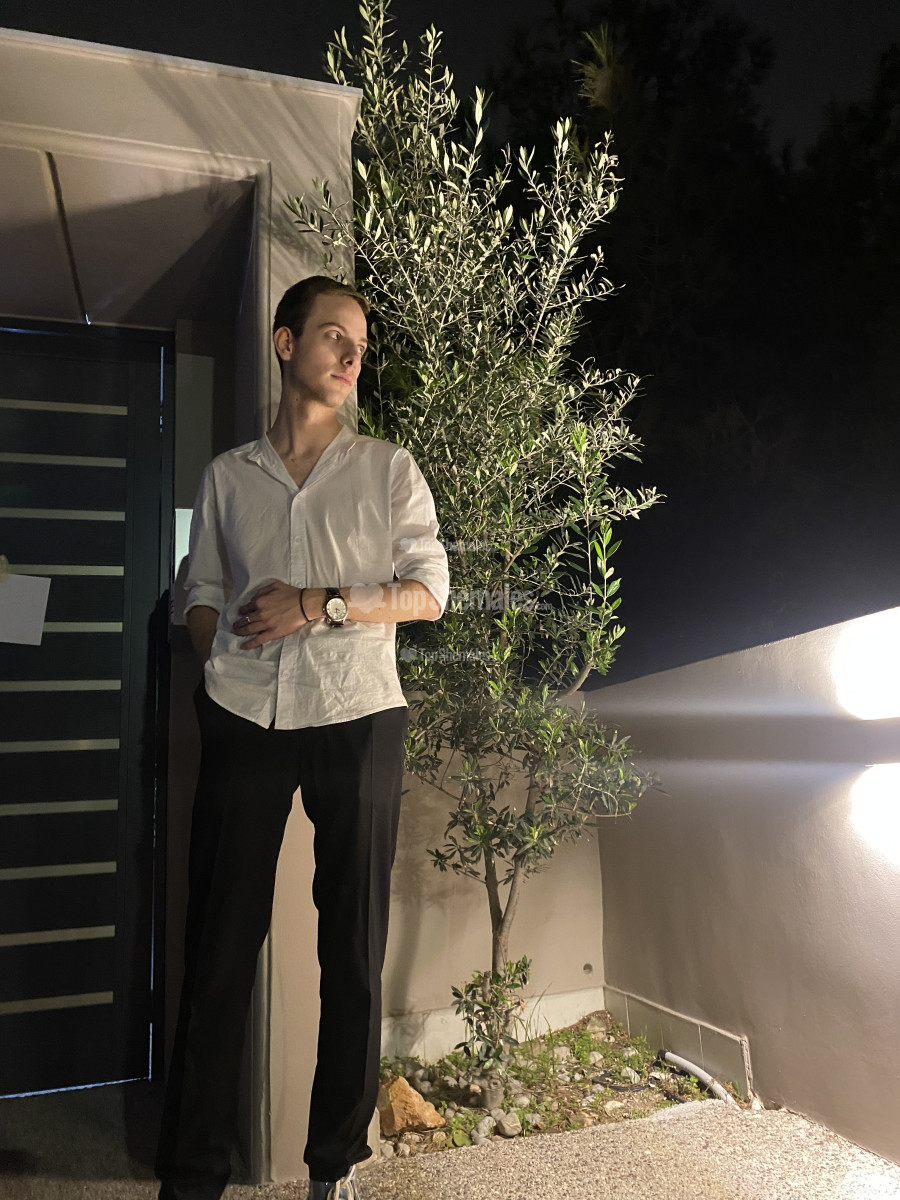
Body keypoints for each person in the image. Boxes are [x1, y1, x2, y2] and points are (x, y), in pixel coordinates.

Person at [155, 276, 450, 1200]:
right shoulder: (228, 477)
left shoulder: (387, 469)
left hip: (358, 710)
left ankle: (335, 1167)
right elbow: (199, 588)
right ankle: (193, 1175)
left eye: (359, 342)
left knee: (351, 951)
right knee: (218, 945)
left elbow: (430, 591)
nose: (351, 355)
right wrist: (215, 660)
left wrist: (321, 604)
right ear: (286, 344)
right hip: (245, 716)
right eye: (333, 336)